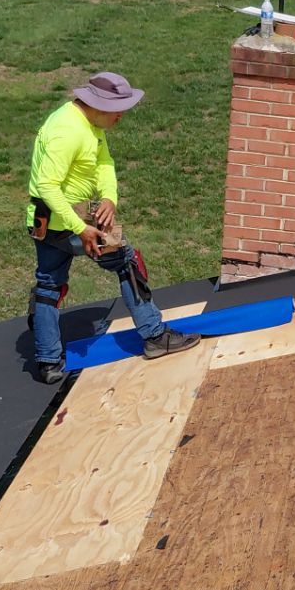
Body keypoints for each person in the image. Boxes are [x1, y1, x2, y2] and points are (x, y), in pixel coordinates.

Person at [26, 72, 200, 383]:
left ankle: (48, 361)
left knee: (49, 284)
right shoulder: (67, 132)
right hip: (69, 220)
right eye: (117, 109)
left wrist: (109, 197)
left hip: (44, 220)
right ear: (97, 104)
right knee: (128, 261)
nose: (122, 115)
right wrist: (81, 228)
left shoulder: (88, 123)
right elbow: (47, 186)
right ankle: (155, 335)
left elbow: (104, 163)